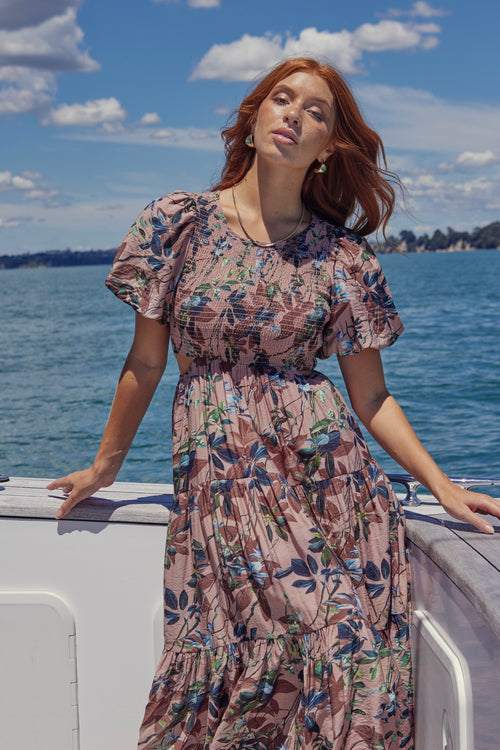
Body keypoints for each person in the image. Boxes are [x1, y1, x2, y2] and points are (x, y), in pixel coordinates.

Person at [47, 57, 500, 750]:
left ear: (328, 149)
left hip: (330, 481)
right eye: (281, 99)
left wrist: (443, 485)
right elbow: (145, 362)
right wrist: (105, 467)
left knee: (349, 652)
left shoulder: (343, 259)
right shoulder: (178, 225)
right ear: (253, 122)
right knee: (266, 655)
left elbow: (371, 396)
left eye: (316, 111)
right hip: (222, 480)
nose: (294, 114)